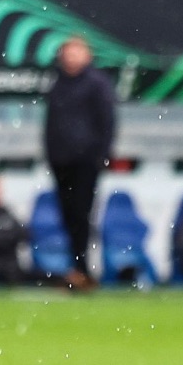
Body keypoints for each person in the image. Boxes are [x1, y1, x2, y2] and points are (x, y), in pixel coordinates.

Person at [45, 36, 117, 289]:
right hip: (61, 161)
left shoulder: (97, 84)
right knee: (68, 215)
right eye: (67, 53)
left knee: (81, 214)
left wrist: (100, 156)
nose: (71, 58)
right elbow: (51, 124)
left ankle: (82, 267)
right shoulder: (58, 84)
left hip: (85, 162)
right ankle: (77, 267)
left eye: (76, 53)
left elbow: (107, 123)